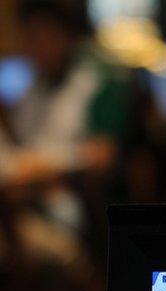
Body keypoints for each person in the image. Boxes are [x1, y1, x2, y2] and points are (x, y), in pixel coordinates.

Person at [0, 1, 127, 230]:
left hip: (80, 206)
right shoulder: (33, 86)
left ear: (66, 35)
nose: (33, 46)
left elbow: (103, 155)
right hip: (28, 196)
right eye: (28, 35)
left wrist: (48, 166)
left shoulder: (95, 80)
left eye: (41, 35)